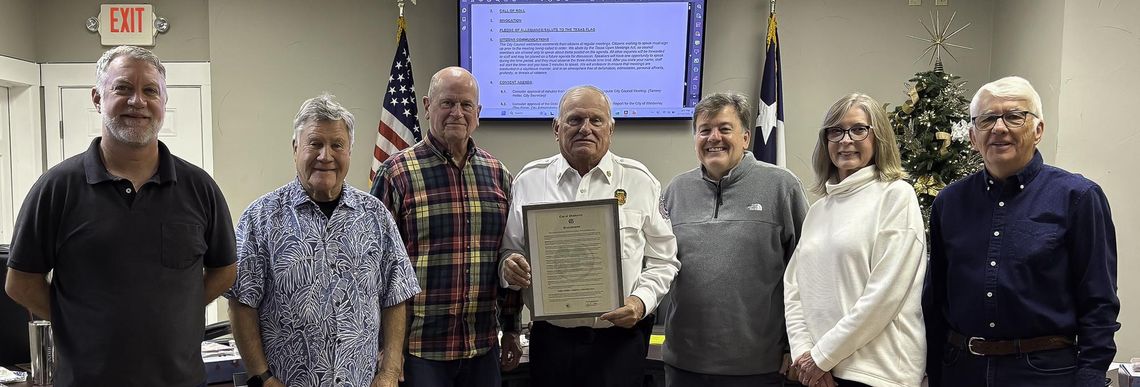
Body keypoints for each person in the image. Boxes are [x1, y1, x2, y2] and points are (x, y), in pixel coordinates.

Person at [3, 45, 237, 386]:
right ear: (98, 99)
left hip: (180, 379)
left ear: (163, 102)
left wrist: (178, 310)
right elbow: (20, 283)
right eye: (123, 88)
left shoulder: (199, 188)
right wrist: (78, 320)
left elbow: (225, 270)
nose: (138, 102)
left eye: (150, 91)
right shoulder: (57, 188)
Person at [923, 76, 1119, 387]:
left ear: (1038, 130)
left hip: (1043, 373)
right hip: (962, 370)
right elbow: (935, 301)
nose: (999, 128)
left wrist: (1091, 376)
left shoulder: (1078, 198)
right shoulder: (950, 202)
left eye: (1014, 116)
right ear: (973, 136)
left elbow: (1099, 302)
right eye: (987, 119)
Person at [226, 94, 420, 387]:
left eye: (337, 145)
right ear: (295, 149)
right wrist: (262, 377)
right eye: (314, 143)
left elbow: (397, 295)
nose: (325, 156)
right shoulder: (260, 218)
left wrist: (390, 372)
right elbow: (242, 302)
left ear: (350, 151)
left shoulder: (375, 215)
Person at [500, 85, 680, 387]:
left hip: (619, 343)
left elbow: (665, 260)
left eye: (596, 120)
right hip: (550, 341)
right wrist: (509, 266)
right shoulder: (530, 181)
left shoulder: (640, 181)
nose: (586, 128)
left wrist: (640, 301)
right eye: (574, 120)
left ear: (611, 129)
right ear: (556, 128)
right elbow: (509, 251)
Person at [370, 66, 521, 387]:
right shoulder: (395, 174)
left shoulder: (498, 175)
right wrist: (386, 348)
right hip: (420, 351)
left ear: (478, 113)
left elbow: (508, 258)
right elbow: (374, 267)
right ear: (427, 106)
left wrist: (511, 329)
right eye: (447, 103)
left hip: (482, 346)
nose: (457, 112)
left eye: (466, 105)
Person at [661, 92, 807, 387]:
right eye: (705, 130)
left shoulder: (782, 186)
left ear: (745, 137)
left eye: (724, 128)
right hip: (684, 365)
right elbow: (657, 263)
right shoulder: (675, 190)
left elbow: (807, 272)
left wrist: (796, 346)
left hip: (757, 367)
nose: (714, 137)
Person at [784, 93, 928, 387]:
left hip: (878, 374)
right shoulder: (819, 209)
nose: (845, 139)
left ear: (878, 137)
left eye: (858, 129)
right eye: (835, 131)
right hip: (819, 372)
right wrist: (803, 352)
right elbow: (794, 288)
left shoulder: (896, 196)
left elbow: (884, 295)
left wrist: (822, 356)